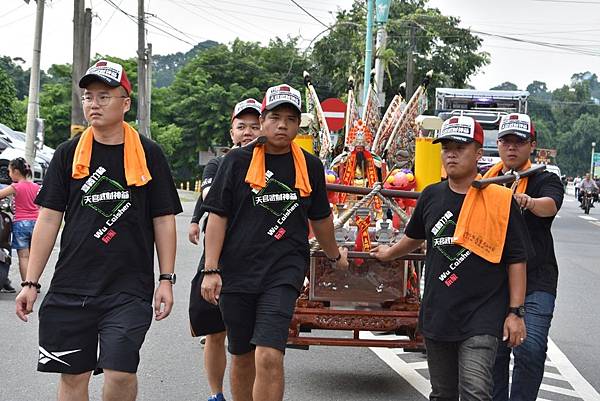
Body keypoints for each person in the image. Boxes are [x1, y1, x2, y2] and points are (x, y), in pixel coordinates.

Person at [15, 59, 182, 401]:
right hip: (71, 286)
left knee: (120, 374)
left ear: (125, 102)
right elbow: (48, 219)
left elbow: (163, 218)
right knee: (73, 378)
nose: (94, 103)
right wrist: (30, 282)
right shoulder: (68, 154)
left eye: (104, 96)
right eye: (89, 96)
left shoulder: (149, 154)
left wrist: (166, 278)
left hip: (128, 288)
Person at [200, 84, 349, 401]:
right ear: (264, 119)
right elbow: (218, 216)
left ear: (299, 125)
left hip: (283, 272)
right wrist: (210, 269)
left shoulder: (309, 166)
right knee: (241, 355)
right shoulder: (236, 162)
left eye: (290, 119)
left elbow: (320, 219)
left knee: (269, 354)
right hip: (236, 271)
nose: (282, 125)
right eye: (276, 117)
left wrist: (335, 257)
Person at [371, 116, 530, 401]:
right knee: (443, 394)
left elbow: (516, 259)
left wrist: (515, 312)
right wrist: (388, 253)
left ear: (479, 153)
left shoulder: (501, 201)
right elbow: (415, 237)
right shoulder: (431, 196)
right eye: (446, 148)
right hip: (439, 311)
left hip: (483, 315)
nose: (451, 154)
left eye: (460, 147)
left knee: (475, 392)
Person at [484, 113, 564, 401]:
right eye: (506, 140)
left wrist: (527, 202)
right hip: (493, 280)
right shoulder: (485, 179)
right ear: (499, 144)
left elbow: (550, 206)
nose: (512, 147)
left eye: (520, 141)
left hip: (536, 279)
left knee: (530, 349)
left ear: (532, 145)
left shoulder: (545, 177)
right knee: (493, 353)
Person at [188, 98, 262, 401]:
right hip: (218, 259)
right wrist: (196, 219)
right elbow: (211, 197)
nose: (248, 132)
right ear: (231, 132)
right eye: (241, 126)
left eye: (255, 126)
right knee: (215, 333)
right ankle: (216, 394)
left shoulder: (279, 165)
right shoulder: (219, 163)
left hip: (258, 262)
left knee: (253, 342)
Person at [0, 157, 40, 283]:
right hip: (37, 224)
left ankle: (27, 285)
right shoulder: (36, 187)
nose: (9, 174)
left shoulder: (15, 187)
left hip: (21, 224)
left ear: (16, 172)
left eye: (10, 171)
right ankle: (34, 283)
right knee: (34, 257)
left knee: (23, 257)